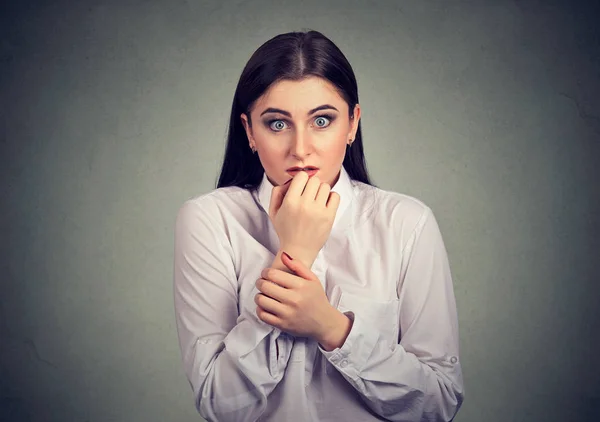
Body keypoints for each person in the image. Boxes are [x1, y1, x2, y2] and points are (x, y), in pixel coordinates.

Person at [173, 30, 464, 422]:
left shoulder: (406, 223)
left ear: (352, 124)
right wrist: (295, 253)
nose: (300, 148)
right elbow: (217, 403)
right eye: (277, 124)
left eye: (322, 120)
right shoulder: (210, 221)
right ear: (249, 132)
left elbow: (439, 402)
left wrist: (332, 328)